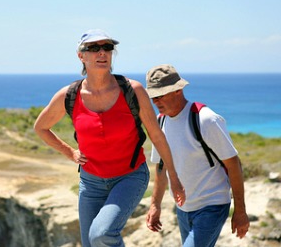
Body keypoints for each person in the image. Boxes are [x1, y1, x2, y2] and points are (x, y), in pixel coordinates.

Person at [34, 29, 185, 247]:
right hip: (90, 182)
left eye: (107, 47)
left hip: (129, 177)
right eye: (94, 48)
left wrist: (175, 178)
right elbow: (41, 127)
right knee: (90, 244)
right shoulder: (70, 95)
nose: (102, 52)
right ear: (81, 55)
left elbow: (157, 136)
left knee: (101, 234)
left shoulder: (132, 90)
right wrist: (70, 152)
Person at [145, 64, 250, 247]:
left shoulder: (205, 119)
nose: (156, 102)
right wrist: (155, 204)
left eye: (160, 95)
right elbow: (161, 167)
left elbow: (234, 164)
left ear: (177, 90)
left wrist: (240, 211)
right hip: (183, 209)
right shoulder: (160, 123)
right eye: (153, 97)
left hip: (212, 205)